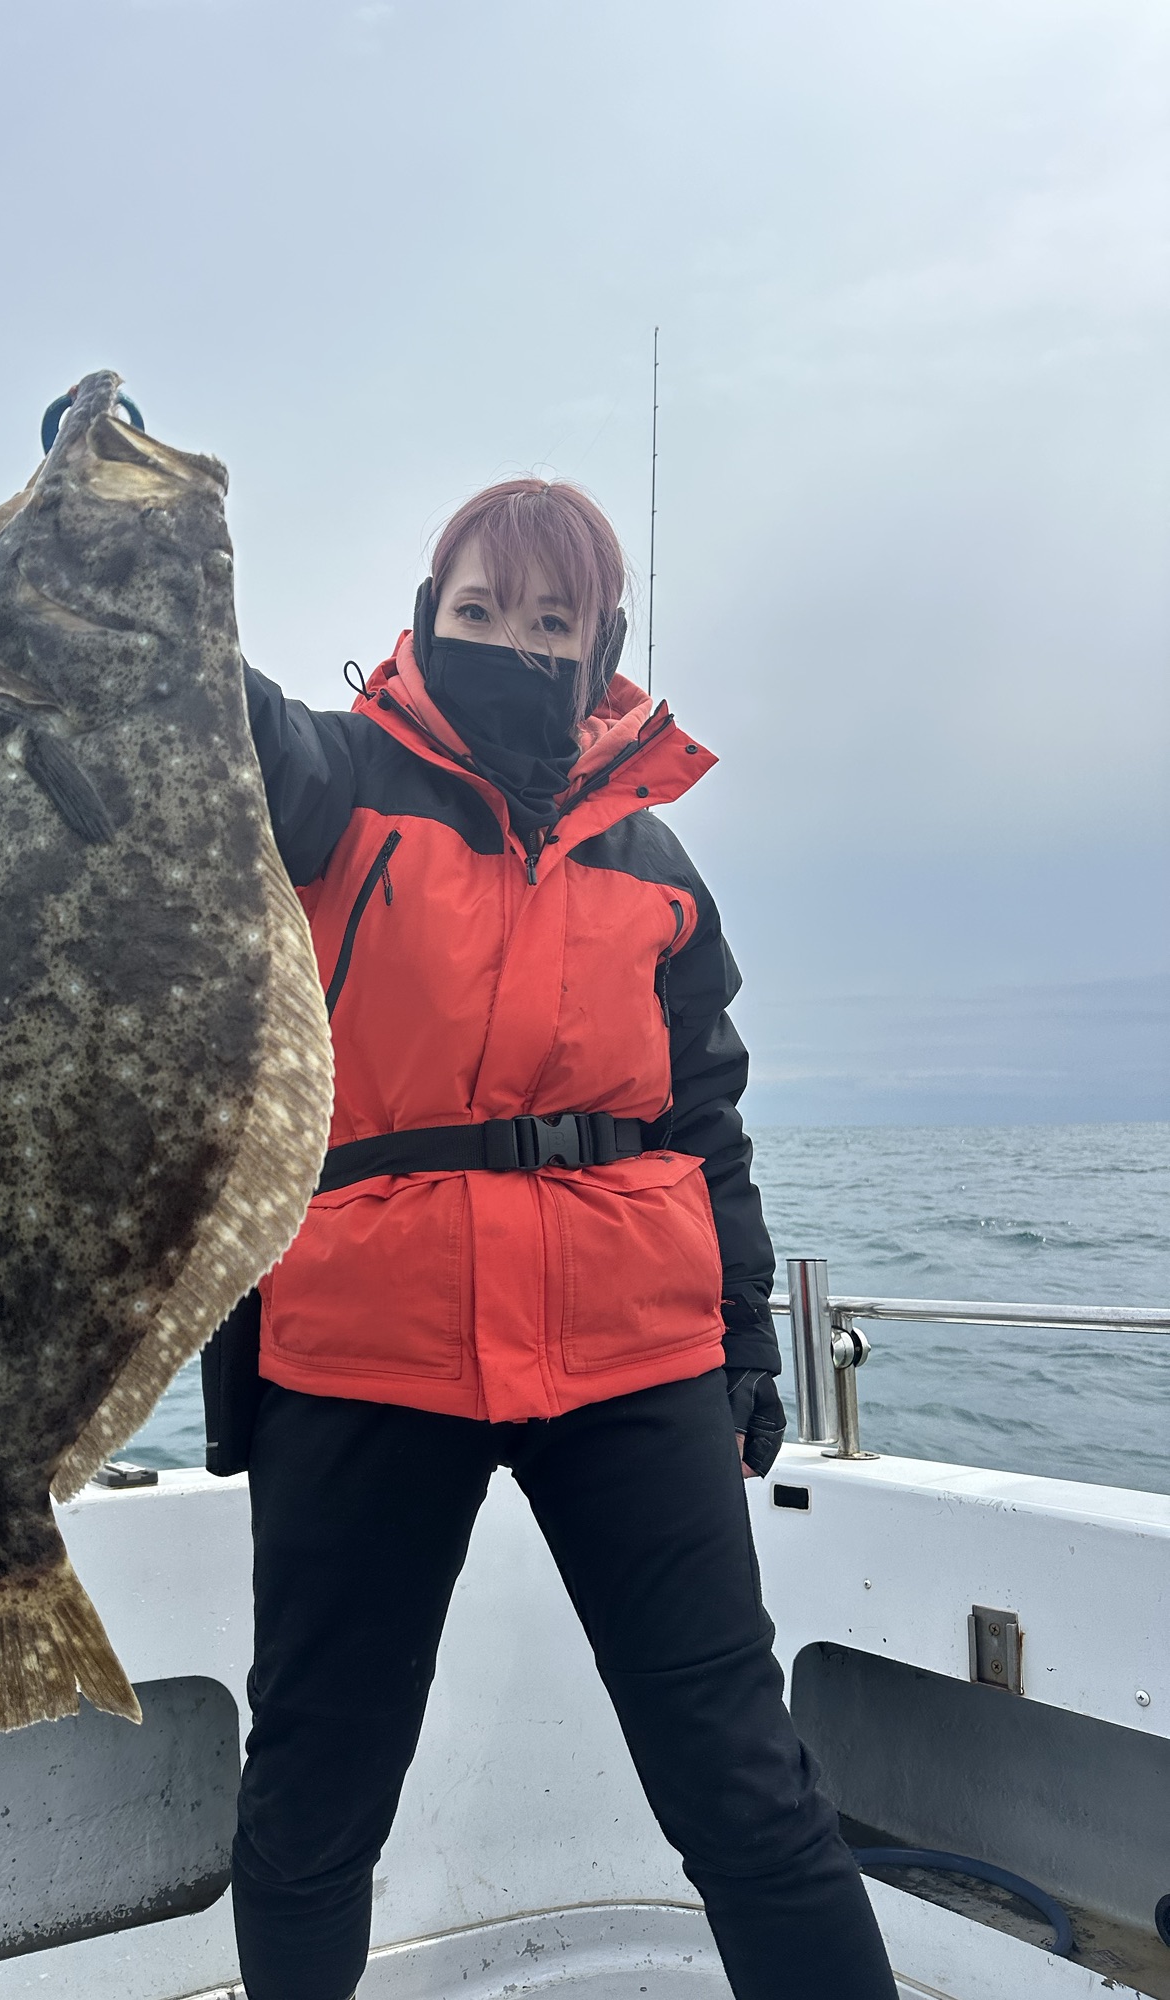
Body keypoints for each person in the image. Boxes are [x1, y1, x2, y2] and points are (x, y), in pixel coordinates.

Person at [217, 478, 897, 2000]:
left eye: (550, 621)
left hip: (632, 1355)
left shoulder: (657, 867)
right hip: (364, 1353)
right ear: (422, 617)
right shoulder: (331, 785)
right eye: (477, 611)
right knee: (315, 1790)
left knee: (745, 1783)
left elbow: (706, 1120)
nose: (511, 643)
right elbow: (189, 702)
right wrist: (105, 518)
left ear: (602, 650)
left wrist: (743, 1341)